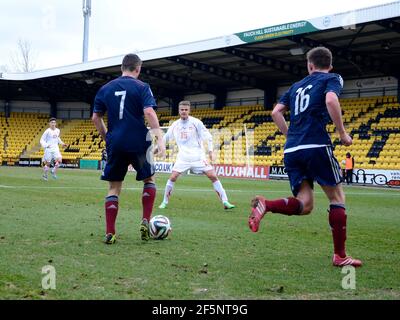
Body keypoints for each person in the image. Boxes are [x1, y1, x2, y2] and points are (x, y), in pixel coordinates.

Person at [248, 47, 362, 267]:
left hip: (292, 150)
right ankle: (340, 256)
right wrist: (342, 132)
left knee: (305, 204)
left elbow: (275, 112)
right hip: (316, 144)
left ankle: (267, 205)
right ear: (330, 64)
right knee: (337, 199)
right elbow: (330, 101)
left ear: (310, 65)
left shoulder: (295, 86)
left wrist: (290, 135)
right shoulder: (332, 78)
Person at [92, 53, 165, 244]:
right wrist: (160, 139)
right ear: (138, 69)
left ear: (122, 67)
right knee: (149, 180)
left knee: (114, 188)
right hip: (139, 141)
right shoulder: (142, 87)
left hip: (115, 142)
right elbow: (149, 111)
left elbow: (95, 118)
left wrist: (107, 137)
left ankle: (110, 232)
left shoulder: (105, 89)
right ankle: (145, 220)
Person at [158, 100, 235, 210]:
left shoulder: (196, 122)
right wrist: (157, 148)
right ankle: (164, 202)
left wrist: (210, 152)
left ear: (189, 110)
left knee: (212, 176)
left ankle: (225, 202)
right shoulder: (174, 125)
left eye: (186, 110)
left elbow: (207, 136)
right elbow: (165, 138)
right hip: (183, 157)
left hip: (198, 157)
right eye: (182, 110)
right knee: (173, 177)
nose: (184, 111)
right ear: (179, 111)